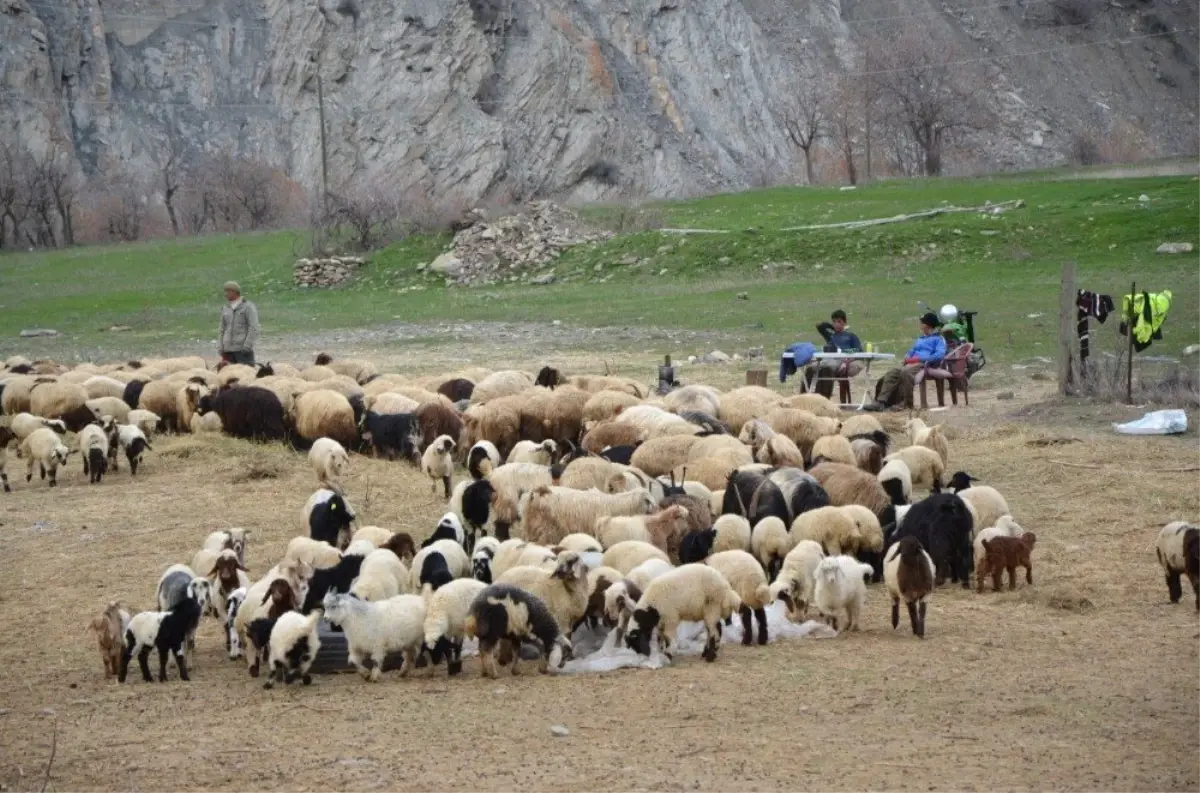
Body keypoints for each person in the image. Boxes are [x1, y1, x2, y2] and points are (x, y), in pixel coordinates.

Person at [805, 309, 863, 400]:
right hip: (828, 359)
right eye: (834, 322)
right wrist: (831, 327)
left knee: (826, 369)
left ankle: (823, 398)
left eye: (839, 322)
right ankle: (804, 397)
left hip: (841, 360)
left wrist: (844, 352)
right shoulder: (831, 336)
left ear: (844, 322)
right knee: (810, 369)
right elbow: (819, 326)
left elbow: (859, 350)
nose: (836, 324)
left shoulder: (850, 336)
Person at [218, 281, 260, 365]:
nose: (225, 294)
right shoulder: (225, 308)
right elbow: (222, 329)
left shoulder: (248, 307)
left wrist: (247, 346)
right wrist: (220, 346)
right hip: (228, 351)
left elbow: (253, 327)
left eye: (227, 291)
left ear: (234, 291)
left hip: (242, 351)